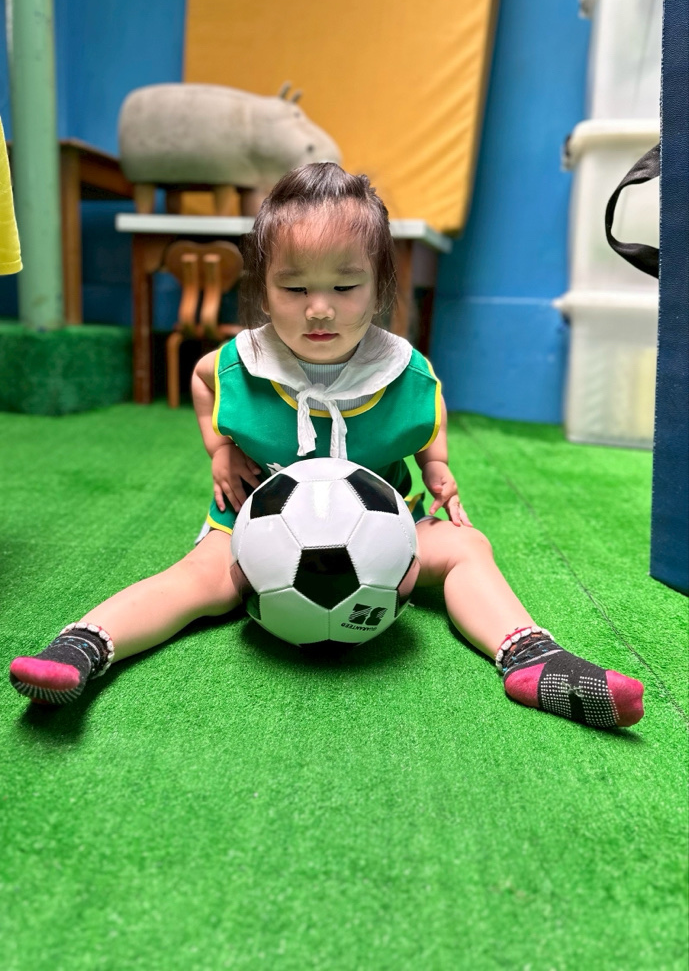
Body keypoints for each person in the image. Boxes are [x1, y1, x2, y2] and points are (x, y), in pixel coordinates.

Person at [9, 163, 644, 728]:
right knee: (199, 578)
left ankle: (529, 655)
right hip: (255, 528)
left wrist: (437, 464)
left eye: (344, 288)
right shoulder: (244, 362)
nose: (319, 309)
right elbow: (202, 380)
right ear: (262, 287)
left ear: (379, 286)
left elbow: (431, 406)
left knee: (467, 546)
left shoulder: (401, 370)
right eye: (294, 289)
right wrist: (219, 450)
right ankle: (86, 643)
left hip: (386, 536)